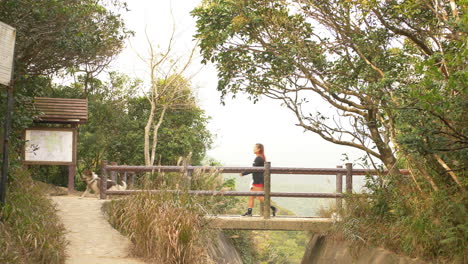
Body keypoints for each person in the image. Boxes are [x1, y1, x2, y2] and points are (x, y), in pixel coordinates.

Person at [240, 143, 277, 217]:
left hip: (258, 181)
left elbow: (253, 169)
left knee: (260, 197)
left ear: (259, 149)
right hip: (256, 180)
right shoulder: (260, 157)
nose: (253, 149)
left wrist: (243, 173)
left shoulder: (259, 158)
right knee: (251, 196)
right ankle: (249, 212)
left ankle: (273, 208)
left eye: (255, 148)